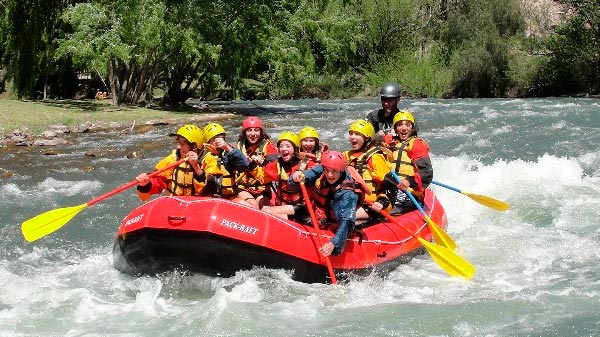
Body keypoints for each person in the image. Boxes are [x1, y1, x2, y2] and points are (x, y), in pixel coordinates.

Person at [289, 151, 365, 257]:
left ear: (341, 171)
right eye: (327, 170)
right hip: (318, 214)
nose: (329, 174)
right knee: (283, 216)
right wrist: (296, 178)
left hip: (332, 224)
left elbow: (347, 221)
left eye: (334, 171)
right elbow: (306, 177)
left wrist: (333, 243)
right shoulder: (323, 168)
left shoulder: (348, 194)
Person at [135, 124, 221, 201]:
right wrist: (146, 184)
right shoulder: (172, 159)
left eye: (182, 144)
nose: (178, 147)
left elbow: (213, 188)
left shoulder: (211, 159)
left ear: (194, 147)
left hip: (199, 206)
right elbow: (158, 181)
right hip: (174, 204)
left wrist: (196, 167)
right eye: (178, 143)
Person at [343, 119, 394, 221]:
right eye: (351, 134)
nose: (352, 137)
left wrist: (381, 202)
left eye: (357, 134)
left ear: (367, 138)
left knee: (343, 215)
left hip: (373, 205)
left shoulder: (375, 157)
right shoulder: (347, 156)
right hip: (353, 201)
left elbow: (391, 187)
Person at [387, 111, 433, 213]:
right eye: (400, 125)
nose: (403, 128)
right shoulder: (391, 142)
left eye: (407, 125)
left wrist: (409, 180)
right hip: (389, 189)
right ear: (395, 129)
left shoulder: (416, 144)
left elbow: (427, 172)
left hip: (408, 193)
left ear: (412, 128)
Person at [253, 131, 304, 219]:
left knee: (266, 212)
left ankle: (299, 218)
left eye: (288, 146)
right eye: (281, 146)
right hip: (282, 204)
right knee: (264, 210)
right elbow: (262, 177)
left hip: (299, 205)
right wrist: (253, 164)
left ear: (295, 149)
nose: (284, 149)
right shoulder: (277, 165)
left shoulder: (303, 165)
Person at [235, 116, 278, 208]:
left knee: (264, 208)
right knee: (253, 206)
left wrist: (263, 163)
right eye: (249, 130)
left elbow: (273, 172)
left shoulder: (269, 147)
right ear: (245, 132)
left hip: (262, 189)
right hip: (243, 188)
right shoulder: (239, 146)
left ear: (261, 132)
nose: (253, 133)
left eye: (256, 130)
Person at [203, 122, 250, 199]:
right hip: (211, 199)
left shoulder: (228, 155)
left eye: (221, 138)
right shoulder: (204, 158)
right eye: (214, 139)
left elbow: (244, 165)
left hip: (230, 197)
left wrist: (228, 148)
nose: (218, 142)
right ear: (208, 142)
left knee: (247, 205)